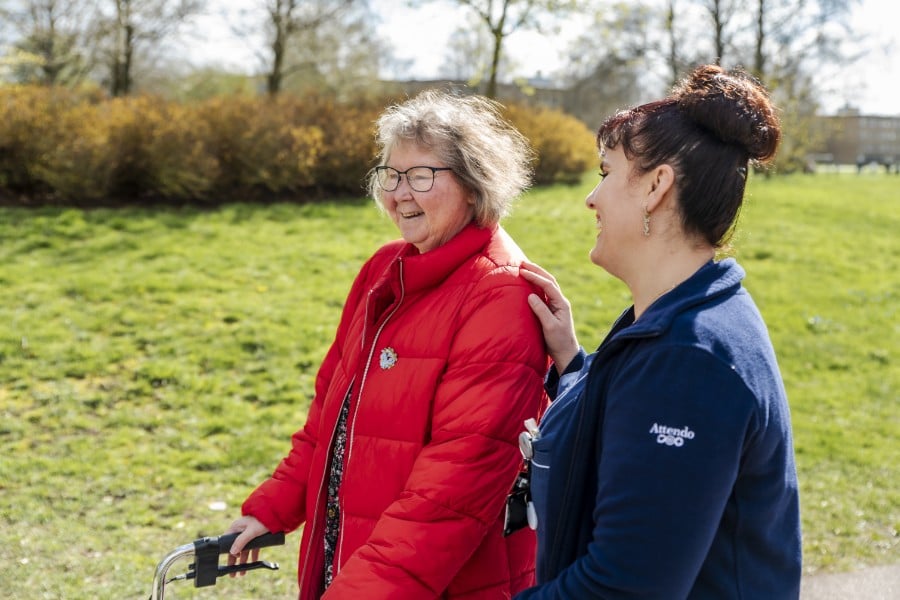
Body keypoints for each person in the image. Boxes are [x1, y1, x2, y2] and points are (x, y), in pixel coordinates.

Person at [226, 89, 548, 599]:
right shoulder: (384, 269)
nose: (399, 193)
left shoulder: (500, 296)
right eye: (391, 176)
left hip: (437, 582)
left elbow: (451, 496)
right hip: (354, 560)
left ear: (473, 182)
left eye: (421, 175)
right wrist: (270, 508)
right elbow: (330, 416)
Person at [514, 65, 802, 599]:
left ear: (655, 186)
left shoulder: (690, 360)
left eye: (606, 172)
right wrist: (574, 364)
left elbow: (624, 588)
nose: (591, 198)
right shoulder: (684, 318)